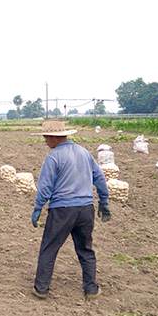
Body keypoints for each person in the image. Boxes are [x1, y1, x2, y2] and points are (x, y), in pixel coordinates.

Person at [30, 119, 111, 299]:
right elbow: (99, 177)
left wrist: (38, 207)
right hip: (86, 209)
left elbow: (45, 187)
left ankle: (41, 288)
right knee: (85, 248)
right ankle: (91, 289)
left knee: (49, 248)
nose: (45, 141)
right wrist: (103, 201)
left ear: (54, 137)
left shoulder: (53, 157)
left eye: (45, 137)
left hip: (62, 210)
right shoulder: (84, 152)